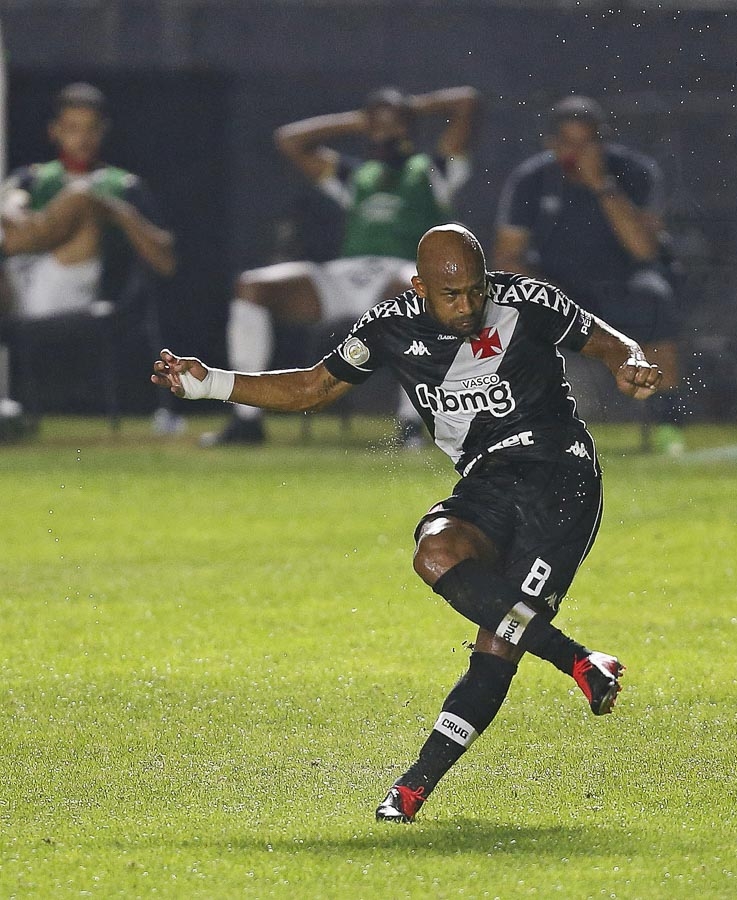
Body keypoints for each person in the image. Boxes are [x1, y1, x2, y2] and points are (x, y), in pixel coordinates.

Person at [150, 223, 663, 823]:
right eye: (451, 295)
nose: (468, 306)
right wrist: (210, 382)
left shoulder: (527, 300)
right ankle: (579, 659)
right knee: (436, 555)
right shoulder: (389, 326)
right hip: (488, 481)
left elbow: (608, 342)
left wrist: (631, 363)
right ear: (420, 287)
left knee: (499, 642)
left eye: (475, 290)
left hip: (561, 478)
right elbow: (315, 386)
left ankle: (413, 788)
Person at [202, 85, 479, 446]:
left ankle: (411, 423)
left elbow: (467, 101)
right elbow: (290, 140)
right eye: (376, 125)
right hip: (346, 277)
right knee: (253, 286)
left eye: (392, 124)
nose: (384, 130)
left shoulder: (434, 171)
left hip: (402, 277)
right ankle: (246, 420)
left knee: (418, 286)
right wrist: (364, 121)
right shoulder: (355, 176)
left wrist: (408, 109)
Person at [494, 95, 685, 454]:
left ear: (603, 140)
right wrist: (543, 293)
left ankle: (667, 423)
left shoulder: (634, 172)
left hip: (623, 282)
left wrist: (601, 185)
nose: (577, 152)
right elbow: (507, 255)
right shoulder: (531, 179)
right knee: (510, 309)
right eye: (567, 142)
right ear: (550, 143)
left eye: (587, 142)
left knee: (656, 297)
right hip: (558, 288)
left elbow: (645, 249)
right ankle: (519, 425)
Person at [0, 82, 178, 429]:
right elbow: (9, 206)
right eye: (72, 129)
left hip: (70, 290)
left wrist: (112, 210)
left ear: (103, 131)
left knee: (81, 196)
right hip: (13, 286)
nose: (81, 139)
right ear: (55, 131)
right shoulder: (32, 178)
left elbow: (166, 262)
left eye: (90, 129)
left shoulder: (123, 186)